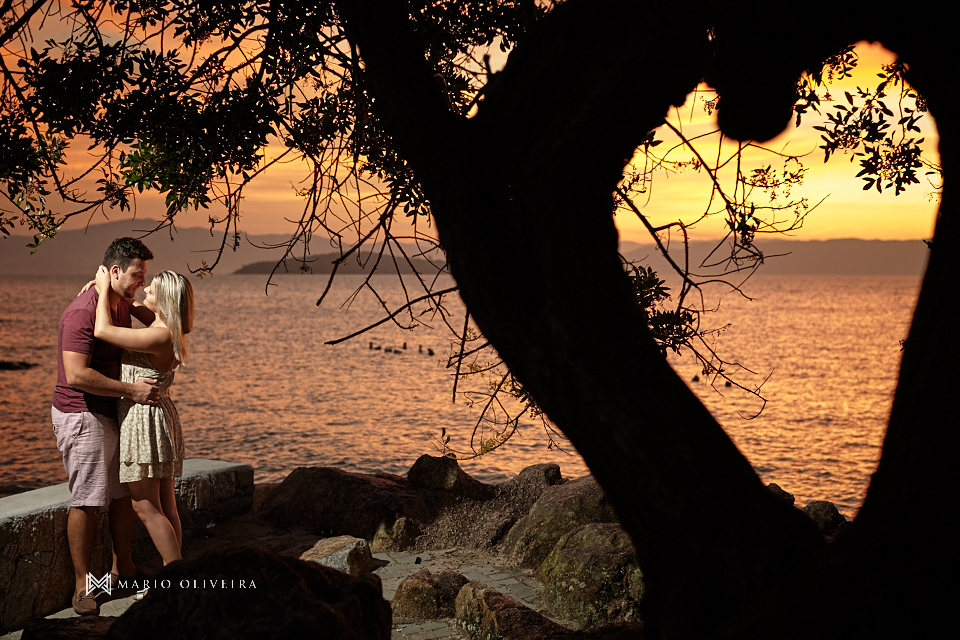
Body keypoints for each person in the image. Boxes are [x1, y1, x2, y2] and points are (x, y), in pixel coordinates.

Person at [52, 237, 159, 616]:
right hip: (82, 415)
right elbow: (78, 374)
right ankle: (83, 587)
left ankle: (122, 570)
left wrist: (123, 296)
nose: (142, 283)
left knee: (120, 495)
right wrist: (132, 390)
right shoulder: (82, 312)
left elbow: (162, 326)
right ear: (114, 271)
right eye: (136, 275)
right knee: (87, 500)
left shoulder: (117, 303)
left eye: (143, 276)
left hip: (110, 412)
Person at [92, 266, 194, 577]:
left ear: (163, 301)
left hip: (143, 421)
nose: (144, 289)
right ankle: (174, 572)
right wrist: (114, 288)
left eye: (151, 289)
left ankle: (175, 580)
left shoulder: (157, 335)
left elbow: (102, 331)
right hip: (159, 417)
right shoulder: (166, 329)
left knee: (145, 507)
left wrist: (100, 288)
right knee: (166, 506)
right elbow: (137, 307)